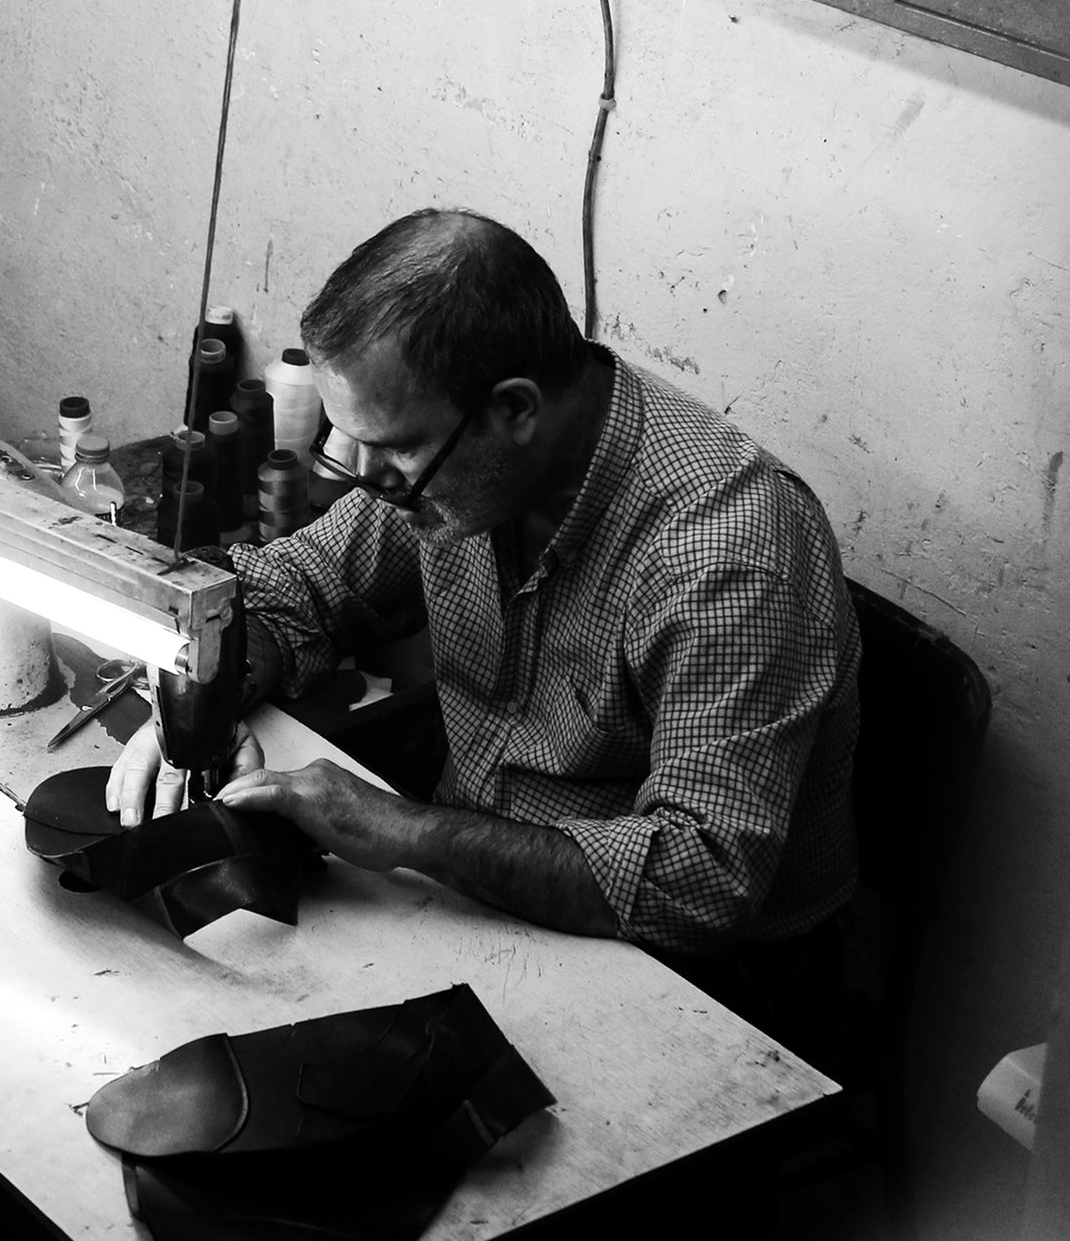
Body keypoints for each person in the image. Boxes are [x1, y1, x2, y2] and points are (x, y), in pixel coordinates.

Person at [111, 209, 862, 1044]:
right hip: (476, 902)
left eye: (389, 452)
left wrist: (400, 829)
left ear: (515, 410)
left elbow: (702, 881)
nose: (361, 476)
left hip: (712, 988)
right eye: (348, 438)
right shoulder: (462, 460)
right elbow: (299, 583)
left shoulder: (725, 553)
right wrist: (204, 694)